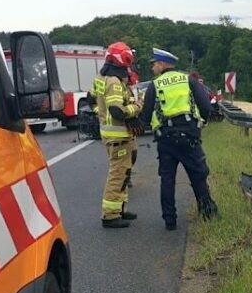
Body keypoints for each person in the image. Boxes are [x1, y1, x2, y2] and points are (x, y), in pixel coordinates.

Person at [139, 48, 218, 230]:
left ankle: (170, 221)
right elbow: (206, 106)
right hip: (189, 137)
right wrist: (202, 122)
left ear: (162, 64)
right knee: (198, 175)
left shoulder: (155, 85)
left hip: (166, 140)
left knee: (167, 179)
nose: (152, 68)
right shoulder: (188, 79)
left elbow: (145, 116)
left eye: (154, 64)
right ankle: (207, 211)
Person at [93, 41, 140, 228]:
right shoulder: (113, 81)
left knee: (124, 171)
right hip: (118, 137)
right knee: (118, 174)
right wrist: (136, 108)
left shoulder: (102, 78)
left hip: (117, 136)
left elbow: (93, 101)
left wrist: (100, 114)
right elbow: (117, 111)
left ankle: (120, 209)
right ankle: (110, 215)